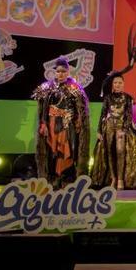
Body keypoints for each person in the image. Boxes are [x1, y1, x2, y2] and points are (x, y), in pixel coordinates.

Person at [32, 57, 90, 187]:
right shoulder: (47, 87)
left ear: (68, 72)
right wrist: (43, 123)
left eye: (63, 71)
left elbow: (81, 110)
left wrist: (79, 121)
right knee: (52, 151)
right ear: (55, 72)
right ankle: (52, 178)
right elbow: (43, 109)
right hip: (52, 125)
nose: (61, 74)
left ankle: (66, 178)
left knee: (67, 152)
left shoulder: (75, 88)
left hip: (67, 125)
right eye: (58, 71)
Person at [91, 74, 136, 190]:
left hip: (122, 128)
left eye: (120, 83)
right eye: (115, 83)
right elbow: (103, 115)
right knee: (110, 150)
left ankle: (121, 179)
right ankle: (113, 178)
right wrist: (99, 131)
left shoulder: (127, 98)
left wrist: (124, 130)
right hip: (109, 127)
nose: (117, 85)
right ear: (113, 84)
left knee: (120, 150)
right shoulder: (107, 98)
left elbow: (129, 116)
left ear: (123, 84)